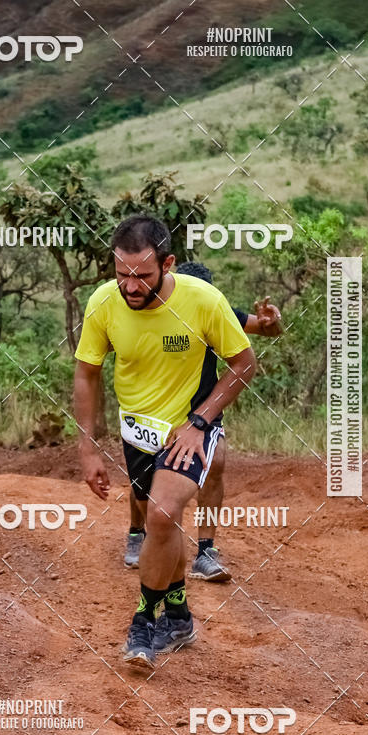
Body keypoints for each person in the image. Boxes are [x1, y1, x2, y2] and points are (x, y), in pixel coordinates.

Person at [74, 215, 255, 668]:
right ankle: (178, 614)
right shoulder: (103, 304)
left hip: (190, 429)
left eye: (142, 277)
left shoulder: (203, 301)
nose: (131, 287)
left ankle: (144, 621)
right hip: (137, 432)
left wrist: (200, 421)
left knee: (160, 514)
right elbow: (87, 372)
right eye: (122, 276)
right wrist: (87, 447)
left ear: (168, 264)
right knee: (164, 526)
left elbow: (244, 363)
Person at [124, 260, 283, 579]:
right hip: (155, 413)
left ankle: (206, 550)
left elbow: (267, 330)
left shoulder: (214, 308)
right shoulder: (151, 310)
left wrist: (272, 321)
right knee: (145, 476)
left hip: (202, 411)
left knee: (216, 463)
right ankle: (136, 530)